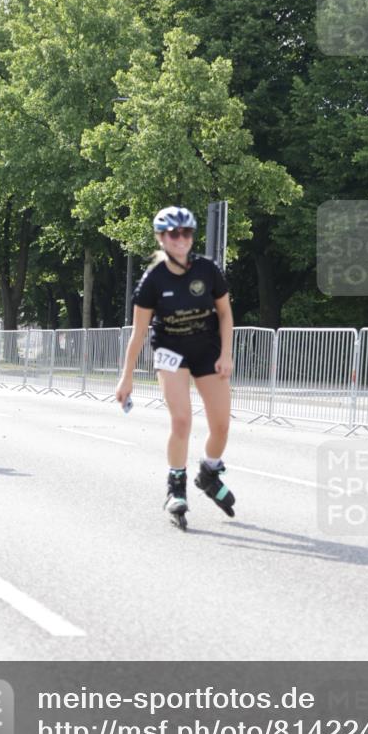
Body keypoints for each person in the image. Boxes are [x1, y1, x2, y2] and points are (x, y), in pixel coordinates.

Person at [115, 206, 236, 524]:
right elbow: (139, 332)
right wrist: (126, 377)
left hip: (207, 350)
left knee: (221, 426)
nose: (180, 239)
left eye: (185, 233)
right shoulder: (153, 280)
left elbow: (224, 313)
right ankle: (176, 489)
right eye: (173, 234)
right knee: (182, 420)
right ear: (161, 238)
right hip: (171, 352)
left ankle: (209, 473)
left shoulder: (208, 271)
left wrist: (226, 354)